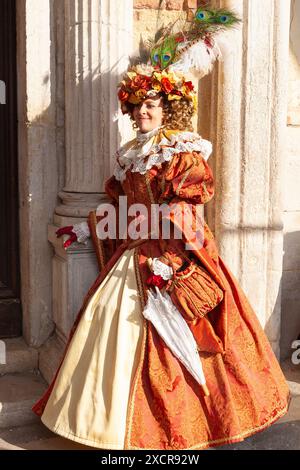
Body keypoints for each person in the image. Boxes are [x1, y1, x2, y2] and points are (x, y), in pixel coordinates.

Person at [32, 9, 290, 449]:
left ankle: (194, 423)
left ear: (166, 108)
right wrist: (89, 228)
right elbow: (121, 203)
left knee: (185, 338)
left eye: (150, 106)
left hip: (173, 252)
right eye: (137, 107)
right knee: (108, 326)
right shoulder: (132, 153)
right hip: (135, 251)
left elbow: (186, 207)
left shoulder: (181, 152)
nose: (142, 113)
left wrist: (170, 258)